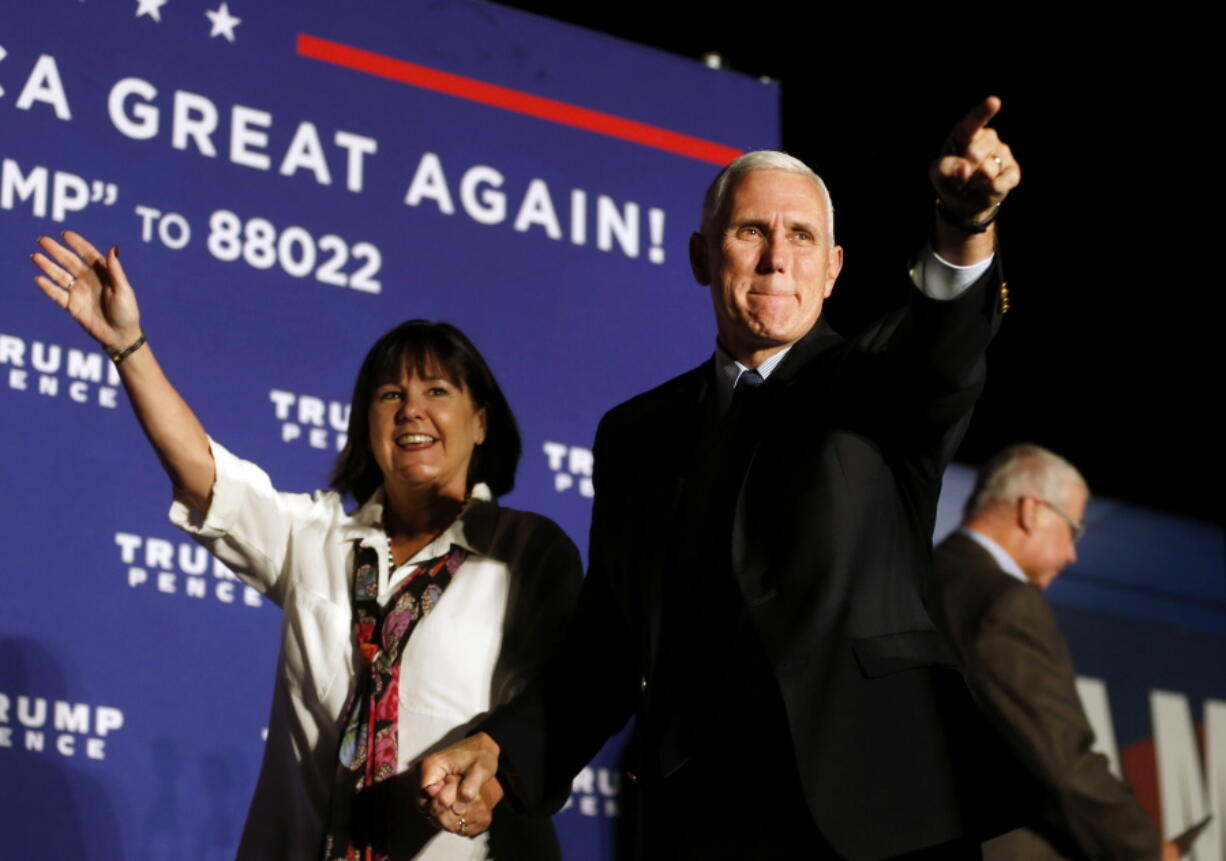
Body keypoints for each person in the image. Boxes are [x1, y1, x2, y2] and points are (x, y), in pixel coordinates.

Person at [420, 97, 1029, 859]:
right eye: (752, 231)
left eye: (803, 237)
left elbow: (945, 351)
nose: (778, 257)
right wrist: (504, 753)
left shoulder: (879, 385)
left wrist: (963, 227)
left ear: (834, 268)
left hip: (879, 818)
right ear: (702, 255)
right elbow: (608, 648)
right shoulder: (636, 434)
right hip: (700, 823)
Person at [29, 232, 582, 861]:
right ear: (367, 425)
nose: (411, 411)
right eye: (390, 395)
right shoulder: (317, 539)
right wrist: (127, 345)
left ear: (481, 421)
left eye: (437, 391)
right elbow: (203, 475)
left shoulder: (528, 552)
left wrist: (495, 775)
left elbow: (559, 708)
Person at [929, 445, 1178, 861]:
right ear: (1032, 510)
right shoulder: (1006, 602)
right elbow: (1062, 762)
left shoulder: (921, 578)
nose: (1071, 554)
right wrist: (1149, 850)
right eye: (1073, 530)